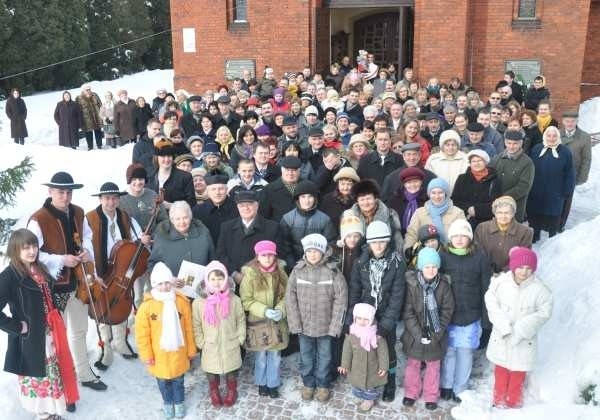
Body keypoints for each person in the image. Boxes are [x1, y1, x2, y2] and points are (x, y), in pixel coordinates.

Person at [27, 172, 108, 395]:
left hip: (80, 282)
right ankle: (63, 380)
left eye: (68, 192)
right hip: (54, 287)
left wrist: (85, 251)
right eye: (60, 192)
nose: (65, 196)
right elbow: (32, 254)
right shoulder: (38, 219)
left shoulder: (79, 212)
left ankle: (84, 373)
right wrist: (62, 259)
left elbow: (88, 237)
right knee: (58, 337)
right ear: (50, 192)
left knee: (79, 331)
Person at [0, 229, 79, 419]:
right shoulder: (9, 276)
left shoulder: (39, 267)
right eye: (25, 247)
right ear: (15, 249)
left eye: (34, 246)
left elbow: (48, 295)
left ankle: (53, 411)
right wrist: (18, 327)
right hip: (31, 339)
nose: (31, 251)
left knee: (52, 374)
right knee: (38, 376)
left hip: (50, 333)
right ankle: (43, 414)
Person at [84, 182, 152, 370]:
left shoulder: (124, 216)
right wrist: (93, 273)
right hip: (100, 270)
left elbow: (138, 236)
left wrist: (142, 240)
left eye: (114, 198)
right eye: (107, 198)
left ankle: (120, 341)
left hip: (121, 271)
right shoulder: (90, 219)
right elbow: (85, 246)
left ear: (119, 199)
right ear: (100, 199)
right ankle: (105, 346)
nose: (111, 202)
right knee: (102, 305)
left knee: (122, 302)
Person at [485, 247, 553, 409]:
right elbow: (491, 301)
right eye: (520, 267)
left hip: (524, 339)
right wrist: (503, 325)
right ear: (513, 266)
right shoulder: (500, 283)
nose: (524, 272)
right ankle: (499, 398)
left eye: (529, 268)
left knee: (518, 371)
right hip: (502, 335)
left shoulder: (540, 289)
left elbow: (544, 312)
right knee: (501, 368)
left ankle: (513, 401)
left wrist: (522, 328)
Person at [285, 233, 348, 403]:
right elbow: (290, 299)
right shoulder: (297, 271)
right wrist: (295, 323)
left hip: (325, 327)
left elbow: (341, 300)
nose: (313, 254)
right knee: (306, 357)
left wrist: (335, 326)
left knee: (325, 357)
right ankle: (308, 383)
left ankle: (323, 384)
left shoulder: (333, 272)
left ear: (323, 252)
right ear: (305, 252)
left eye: (316, 251)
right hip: (304, 327)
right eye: (309, 251)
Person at [349, 221, 406, 402]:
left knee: (387, 349)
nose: (378, 246)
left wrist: (387, 324)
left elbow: (398, 297)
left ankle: (390, 382)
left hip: (386, 313)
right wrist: (354, 316)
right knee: (367, 348)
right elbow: (355, 290)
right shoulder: (361, 262)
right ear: (369, 243)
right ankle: (369, 379)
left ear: (388, 242)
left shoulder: (397, 263)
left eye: (382, 242)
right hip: (366, 314)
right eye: (374, 242)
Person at [439, 220, 491, 402]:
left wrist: (486, 320)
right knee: (449, 352)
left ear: (470, 238)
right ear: (450, 238)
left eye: (463, 236)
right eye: (455, 236)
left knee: (465, 352)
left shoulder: (479, 257)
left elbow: (486, 288)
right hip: (448, 316)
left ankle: (459, 387)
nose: (460, 239)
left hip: (471, 315)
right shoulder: (443, 256)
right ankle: (445, 385)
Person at [136, 263, 196, 419]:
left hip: (178, 353)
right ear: (154, 284)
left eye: (167, 282)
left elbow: (189, 328)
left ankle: (179, 402)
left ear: (172, 282)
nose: (164, 287)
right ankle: (168, 403)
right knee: (163, 383)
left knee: (178, 381)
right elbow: (142, 335)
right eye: (160, 283)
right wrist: (147, 355)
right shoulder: (146, 307)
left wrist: (191, 350)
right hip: (159, 356)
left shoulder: (181, 302)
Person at [401, 248, 454, 411]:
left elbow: (447, 310)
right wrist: (418, 334)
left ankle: (431, 395)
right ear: (420, 268)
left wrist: (436, 334)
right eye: (427, 266)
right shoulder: (412, 285)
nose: (430, 270)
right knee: (413, 365)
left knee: (433, 366)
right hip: (415, 335)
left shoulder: (444, 286)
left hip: (436, 335)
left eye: (434, 266)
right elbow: (408, 311)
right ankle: (411, 392)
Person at [192, 261, 246, 407]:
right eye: (213, 279)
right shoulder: (199, 303)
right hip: (210, 344)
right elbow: (196, 324)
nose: (217, 282)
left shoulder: (234, 299)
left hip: (231, 342)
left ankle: (232, 390)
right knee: (211, 370)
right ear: (207, 280)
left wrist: (240, 338)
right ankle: (214, 391)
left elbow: (241, 320)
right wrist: (200, 342)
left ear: (226, 279)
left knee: (231, 370)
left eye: (220, 278)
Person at [239, 241, 289, 398]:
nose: (267, 258)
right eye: (263, 255)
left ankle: (273, 384)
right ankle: (261, 383)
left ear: (275, 256)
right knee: (260, 356)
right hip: (258, 323)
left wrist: (281, 310)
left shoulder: (281, 273)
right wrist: (264, 310)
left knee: (275, 356)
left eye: (270, 255)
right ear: (257, 256)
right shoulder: (250, 275)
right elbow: (246, 300)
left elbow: (287, 296)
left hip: (276, 324)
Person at [216, 190, 281, 284]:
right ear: (237, 207)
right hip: (233, 282)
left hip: (262, 282)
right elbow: (220, 254)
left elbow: (278, 255)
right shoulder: (226, 227)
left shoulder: (272, 228)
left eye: (250, 204)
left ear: (257, 205)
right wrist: (234, 274)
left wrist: (258, 274)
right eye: (242, 205)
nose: (246, 208)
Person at [527, 126, 576, 242]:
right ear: (545, 136)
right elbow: (529, 169)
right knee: (535, 212)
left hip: (556, 190)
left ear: (558, 137)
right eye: (549, 135)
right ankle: (535, 235)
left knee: (553, 214)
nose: (551, 138)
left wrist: (567, 190)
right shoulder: (536, 149)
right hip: (537, 189)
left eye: (554, 136)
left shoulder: (565, 152)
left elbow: (570, 173)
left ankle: (552, 238)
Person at [338, 303, 389, 413]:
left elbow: (383, 352)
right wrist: (344, 365)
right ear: (354, 318)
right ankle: (360, 396)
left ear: (371, 319)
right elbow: (347, 351)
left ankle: (368, 400)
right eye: (359, 318)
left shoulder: (377, 335)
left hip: (372, 367)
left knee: (370, 386)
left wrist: (384, 366)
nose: (362, 322)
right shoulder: (351, 334)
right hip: (356, 367)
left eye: (366, 319)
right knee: (357, 384)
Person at [280, 180, 337, 270]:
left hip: (318, 265)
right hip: (293, 266)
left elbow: (330, 243)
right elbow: (284, 245)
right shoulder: (288, 218)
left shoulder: (324, 219)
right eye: (303, 197)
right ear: (298, 198)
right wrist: (293, 265)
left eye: (310, 196)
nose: (307, 201)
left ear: (315, 198)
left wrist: (320, 262)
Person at [148, 201, 214, 276]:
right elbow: (153, 265)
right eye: (178, 219)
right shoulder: (162, 237)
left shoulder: (203, 233)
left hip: (202, 284)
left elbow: (212, 260)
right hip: (171, 286)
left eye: (185, 218)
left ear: (190, 217)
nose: (182, 222)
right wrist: (168, 280)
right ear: (172, 220)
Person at [474, 196, 533, 274]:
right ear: (494, 213)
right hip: (484, 273)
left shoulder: (525, 232)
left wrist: (503, 274)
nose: (503, 216)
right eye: (499, 212)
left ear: (513, 213)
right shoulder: (482, 228)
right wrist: (489, 272)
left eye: (507, 213)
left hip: (511, 275)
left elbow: (522, 258)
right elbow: (478, 253)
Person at [404, 178, 466, 250]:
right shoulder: (419, 213)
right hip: (426, 254)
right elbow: (411, 234)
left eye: (440, 192)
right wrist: (408, 250)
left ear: (446, 194)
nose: (437, 196)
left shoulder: (457, 213)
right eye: (433, 193)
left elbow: (464, 235)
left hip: (451, 253)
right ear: (429, 194)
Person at [346, 179, 404, 252]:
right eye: (362, 200)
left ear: (375, 198)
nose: (366, 203)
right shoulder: (350, 216)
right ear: (357, 201)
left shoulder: (390, 215)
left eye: (369, 198)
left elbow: (398, 241)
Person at [488, 130, 534, 223]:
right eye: (509, 143)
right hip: (495, 206)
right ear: (505, 142)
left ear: (521, 144)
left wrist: (503, 198)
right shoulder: (497, 158)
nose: (511, 146)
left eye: (515, 143)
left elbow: (524, 187)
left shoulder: (527, 163)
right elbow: (488, 176)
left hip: (514, 207)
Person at [451, 150, 502, 230]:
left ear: (485, 162)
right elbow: (455, 200)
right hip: (465, 220)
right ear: (470, 163)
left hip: (487, 223)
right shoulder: (462, 178)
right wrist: (468, 209)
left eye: (479, 161)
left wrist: (477, 210)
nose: (476, 163)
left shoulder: (494, 180)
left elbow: (497, 204)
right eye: (473, 161)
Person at [559, 110, 592, 231]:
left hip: (572, 174)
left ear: (577, 121)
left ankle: (561, 224)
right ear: (563, 121)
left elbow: (587, 159)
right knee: (555, 198)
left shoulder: (584, 137)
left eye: (572, 121)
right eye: (567, 121)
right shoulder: (557, 133)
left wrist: (582, 177)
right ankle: (553, 221)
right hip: (557, 173)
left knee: (567, 199)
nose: (569, 123)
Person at [147, 138, 196, 209]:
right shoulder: (149, 176)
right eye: (163, 156)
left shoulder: (185, 177)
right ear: (157, 158)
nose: (166, 159)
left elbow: (192, 203)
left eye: (169, 156)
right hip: (153, 217)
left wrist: (171, 206)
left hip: (177, 218)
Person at [193, 174, 238, 245]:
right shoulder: (197, 211)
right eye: (213, 189)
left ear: (226, 190)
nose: (217, 193)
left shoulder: (237, 209)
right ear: (207, 191)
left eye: (221, 189)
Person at [386, 167, 429, 236]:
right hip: (399, 236)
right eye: (409, 182)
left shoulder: (427, 199)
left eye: (416, 181)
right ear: (404, 184)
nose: (412, 185)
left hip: (421, 236)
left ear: (421, 182)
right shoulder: (395, 199)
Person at [259, 156, 303, 222]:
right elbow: (263, 216)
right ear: (282, 170)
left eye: (294, 170)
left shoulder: (307, 187)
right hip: (278, 229)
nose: (290, 173)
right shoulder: (269, 190)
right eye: (287, 170)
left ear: (299, 171)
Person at [424, 130, 469, 194]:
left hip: (460, 196)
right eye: (447, 145)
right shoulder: (433, 160)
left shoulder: (465, 159)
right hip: (439, 197)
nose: (450, 147)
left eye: (453, 145)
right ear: (442, 146)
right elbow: (428, 179)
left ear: (458, 146)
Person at [318, 166, 359, 234]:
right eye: (342, 184)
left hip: (352, 238)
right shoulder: (327, 199)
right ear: (338, 184)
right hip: (330, 237)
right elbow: (322, 220)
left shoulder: (358, 200)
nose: (345, 188)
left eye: (349, 184)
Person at [77, 84, 104, 150]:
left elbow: (100, 105)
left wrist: (102, 114)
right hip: (86, 119)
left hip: (97, 117)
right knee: (88, 133)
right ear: (83, 90)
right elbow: (78, 110)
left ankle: (99, 145)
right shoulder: (79, 98)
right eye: (87, 90)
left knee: (98, 131)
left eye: (89, 89)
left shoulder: (95, 95)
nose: (89, 91)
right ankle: (90, 147)